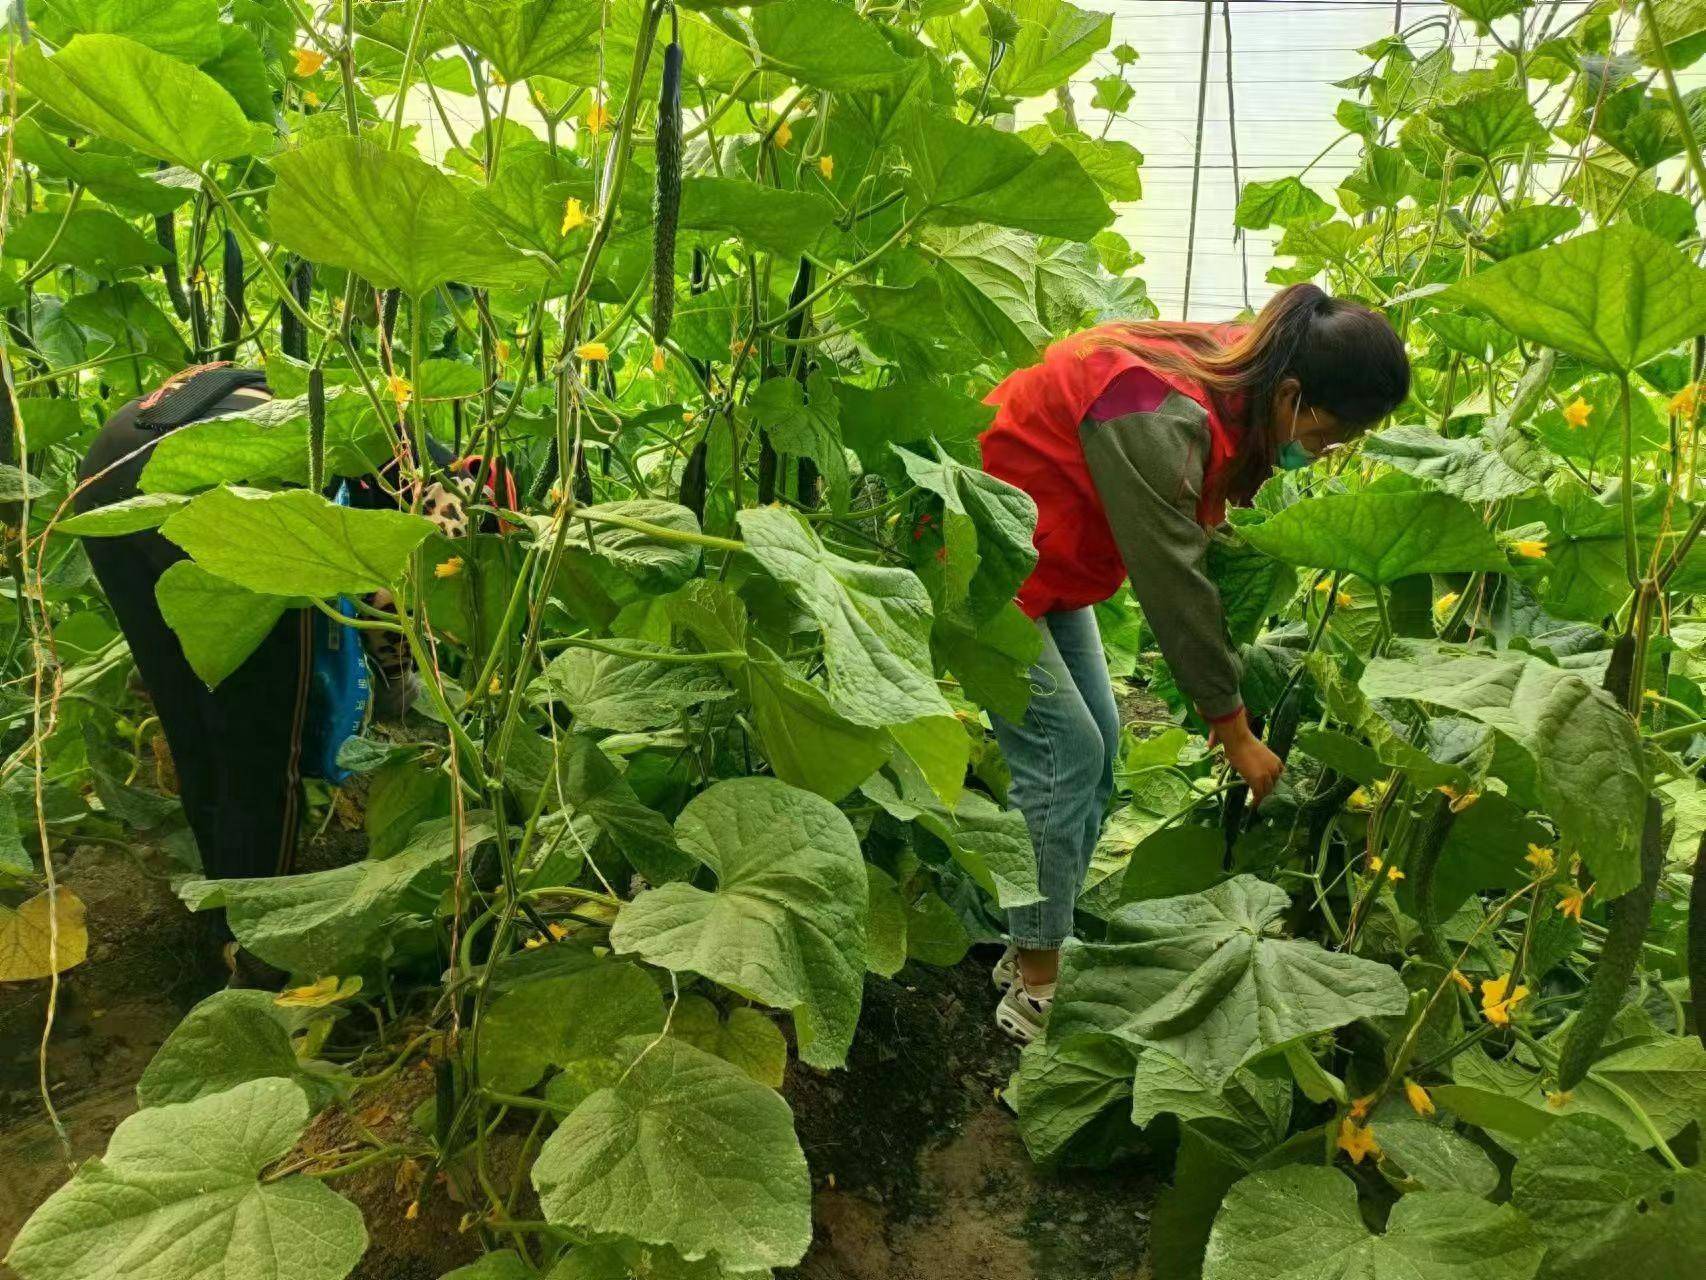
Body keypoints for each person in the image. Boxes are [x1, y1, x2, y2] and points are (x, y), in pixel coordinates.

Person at [977, 283, 1410, 1042]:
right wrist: (1232, 725)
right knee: (1064, 755)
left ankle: (1033, 941)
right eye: (1328, 434)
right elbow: (1173, 580)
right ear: (1294, 393)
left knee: (1103, 742)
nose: (1326, 450)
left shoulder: (1243, 370)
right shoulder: (1154, 406)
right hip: (982, 552)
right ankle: (1035, 986)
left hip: (1046, 555)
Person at [74, 364, 511, 985]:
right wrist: (404, 686)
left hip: (112, 463)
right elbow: (392, 602)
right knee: (263, 737)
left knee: (192, 711)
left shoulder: (369, 417)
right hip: (223, 483)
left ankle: (225, 912)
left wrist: (398, 673)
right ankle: (260, 956)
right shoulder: (451, 500)